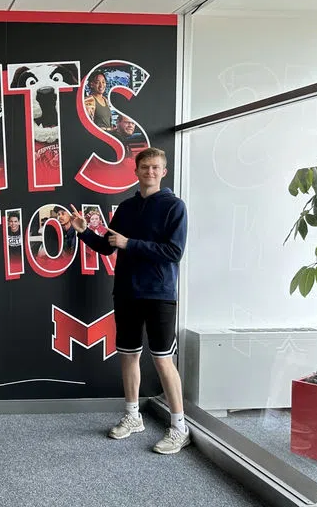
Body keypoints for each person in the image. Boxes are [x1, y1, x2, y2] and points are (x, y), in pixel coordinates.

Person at [70, 147, 189, 455]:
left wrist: (130, 243)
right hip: (126, 292)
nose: (150, 171)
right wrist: (85, 232)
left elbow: (174, 252)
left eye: (156, 167)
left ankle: (179, 427)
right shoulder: (125, 208)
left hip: (160, 294)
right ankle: (133, 416)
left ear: (164, 172)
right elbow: (109, 247)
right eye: (145, 167)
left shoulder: (174, 207)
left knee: (163, 360)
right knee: (128, 356)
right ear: (135, 171)